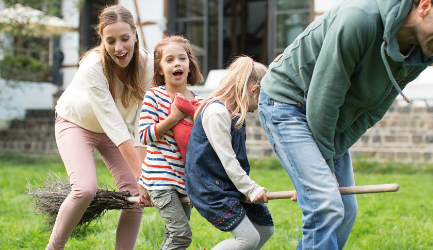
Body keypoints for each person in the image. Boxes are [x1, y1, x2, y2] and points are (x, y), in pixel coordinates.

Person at [257, 0, 433, 249]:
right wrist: (324, 173)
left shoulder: (422, 50)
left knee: (344, 210)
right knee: (326, 205)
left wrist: (322, 171)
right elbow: (324, 101)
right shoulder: (358, 20)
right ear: (425, 6)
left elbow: (373, 109)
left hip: (331, 119)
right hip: (288, 104)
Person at [48, 5, 154, 250]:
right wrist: (141, 175)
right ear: (102, 41)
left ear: (135, 35)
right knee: (85, 189)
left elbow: (142, 120)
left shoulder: (147, 65)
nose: (119, 48)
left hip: (112, 130)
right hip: (76, 123)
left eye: (125, 38)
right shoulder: (93, 66)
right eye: (111, 41)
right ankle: (53, 248)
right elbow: (113, 123)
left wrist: (144, 175)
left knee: (135, 196)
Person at [185, 56, 274, 250]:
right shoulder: (217, 113)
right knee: (248, 239)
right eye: (261, 101)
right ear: (254, 90)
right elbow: (228, 160)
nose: (257, 108)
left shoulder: (234, 115)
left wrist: (246, 188)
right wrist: (251, 189)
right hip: (210, 187)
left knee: (264, 230)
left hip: (228, 184)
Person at [138, 35, 203, 249]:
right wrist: (173, 118)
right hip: (160, 177)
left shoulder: (198, 101)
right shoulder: (154, 96)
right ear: (159, 69)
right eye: (169, 59)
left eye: (182, 58)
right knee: (181, 235)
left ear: (189, 64)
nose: (177, 63)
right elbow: (144, 135)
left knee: (173, 236)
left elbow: (201, 146)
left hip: (184, 180)